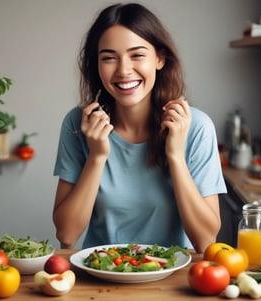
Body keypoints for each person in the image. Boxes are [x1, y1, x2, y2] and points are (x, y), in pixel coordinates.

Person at [53, 3, 227, 253]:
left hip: (174, 281)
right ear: (97, 65)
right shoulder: (79, 124)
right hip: (101, 276)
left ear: (160, 58)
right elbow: (66, 235)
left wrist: (176, 156)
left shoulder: (196, 126)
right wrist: (97, 156)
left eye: (137, 55)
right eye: (109, 58)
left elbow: (205, 241)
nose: (123, 70)